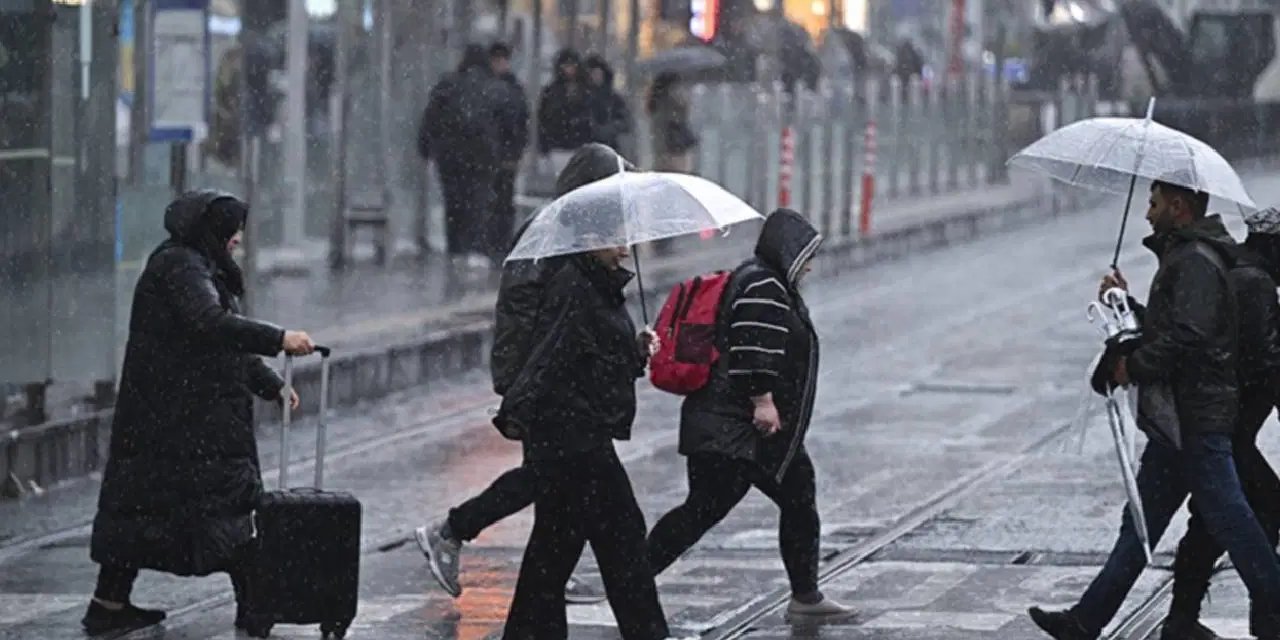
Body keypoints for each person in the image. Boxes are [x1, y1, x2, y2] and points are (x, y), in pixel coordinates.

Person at [1028, 179, 1280, 640]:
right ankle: (1087, 621)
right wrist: (1125, 305)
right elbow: (1180, 328)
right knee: (1143, 524)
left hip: (1198, 421)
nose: (1147, 212)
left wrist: (1133, 366)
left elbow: (1191, 337)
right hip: (1182, 422)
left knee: (1234, 522)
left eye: (1154, 202)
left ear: (1178, 207)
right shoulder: (1190, 258)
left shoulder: (1199, 261)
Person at [84, 190, 316, 636]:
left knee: (141, 515)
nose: (237, 240)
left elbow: (217, 341)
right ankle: (256, 609)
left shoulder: (193, 265)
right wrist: (278, 337)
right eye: (232, 231)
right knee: (224, 515)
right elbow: (210, 326)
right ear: (212, 231)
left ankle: (108, 604)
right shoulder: (182, 267)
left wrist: (268, 382)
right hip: (186, 424)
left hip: (171, 420)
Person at [414, 144, 637, 605]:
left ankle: (532, 573)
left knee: (555, 495)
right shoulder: (556, 242)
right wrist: (519, 388)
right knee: (559, 490)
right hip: (550, 394)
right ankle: (453, 531)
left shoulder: (572, 238)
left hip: (555, 393)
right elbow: (536, 322)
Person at [643, 208, 856, 622]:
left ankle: (806, 596)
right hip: (739, 427)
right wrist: (763, 400)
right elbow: (753, 346)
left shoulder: (763, 280)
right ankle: (631, 578)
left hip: (736, 426)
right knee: (720, 507)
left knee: (760, 500)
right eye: (807, 254)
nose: (810, 265)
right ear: (789, 250)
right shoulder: (764, 285)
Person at [495, 174, 667, 640]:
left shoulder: (594, 283)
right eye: (615, 241)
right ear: (589, 240)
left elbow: (593, 356)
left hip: (571, 435)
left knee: (553, 549)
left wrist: (633, 350)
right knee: (624, 540)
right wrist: (521, 411)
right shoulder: (576, 286)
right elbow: (554, 356)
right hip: (575, 438)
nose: (624, 250)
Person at [1161, 207, 1280, 640]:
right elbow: (1262, 359)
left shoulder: (1242, 272)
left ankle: (1181, 619)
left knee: (1213, 517)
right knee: (1261, 507)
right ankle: (1268, 618)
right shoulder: (1256, 282)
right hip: (1226, 423)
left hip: (1222, 421)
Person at [419, 44, 505, 269]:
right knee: (477, 201)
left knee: (453, 201)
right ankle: (475, 248)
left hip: (449, 156)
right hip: (481, 156)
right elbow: (507, 121)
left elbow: (431, 118)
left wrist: (426, 148)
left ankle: (455, 248)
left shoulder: (447, 84)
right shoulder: (493, 87)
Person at [487, 41, 531, 263]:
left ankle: (501, 243)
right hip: (494, 155)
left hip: (504, 156)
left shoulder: (510, 88)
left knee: (503, 200)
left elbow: (521, 123)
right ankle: (495, 243)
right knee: (495, 200)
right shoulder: (508, 88)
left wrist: (515, 151)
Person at [646, 71, 697, 257]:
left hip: (662, 155)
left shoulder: (655, 101)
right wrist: (684, 102)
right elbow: (679, 119)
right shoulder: (672, 100)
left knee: (662, 199)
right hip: (673, 154)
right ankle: (665, 239)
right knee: (670, 199)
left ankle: (661, 238)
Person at [536, 49, 594, 178]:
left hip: (580, 145)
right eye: (566, 65)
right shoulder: (551, 92)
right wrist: (544, 147)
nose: (569, 69)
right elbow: (543, 121)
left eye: (572, 65)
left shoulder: (586, 91)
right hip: (558, 145)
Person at [583, 54, 632, 153]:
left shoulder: (613, 98)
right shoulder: (582, 96)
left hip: (610, 148)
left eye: (598, 73)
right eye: (592, 74)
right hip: (585, 147)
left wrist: (608, 129)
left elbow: (625, 121)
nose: (596, 77)